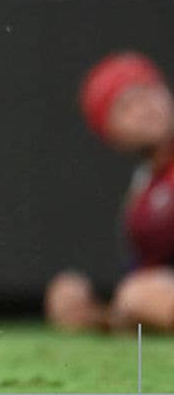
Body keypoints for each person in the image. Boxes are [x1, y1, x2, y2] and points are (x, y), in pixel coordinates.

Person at [46, 52, 174, 333]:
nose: (145, 108)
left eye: (149, 92)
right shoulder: (142, 196)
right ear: (111, 133)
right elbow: (144, 295)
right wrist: (92, 314)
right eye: (126, 105)